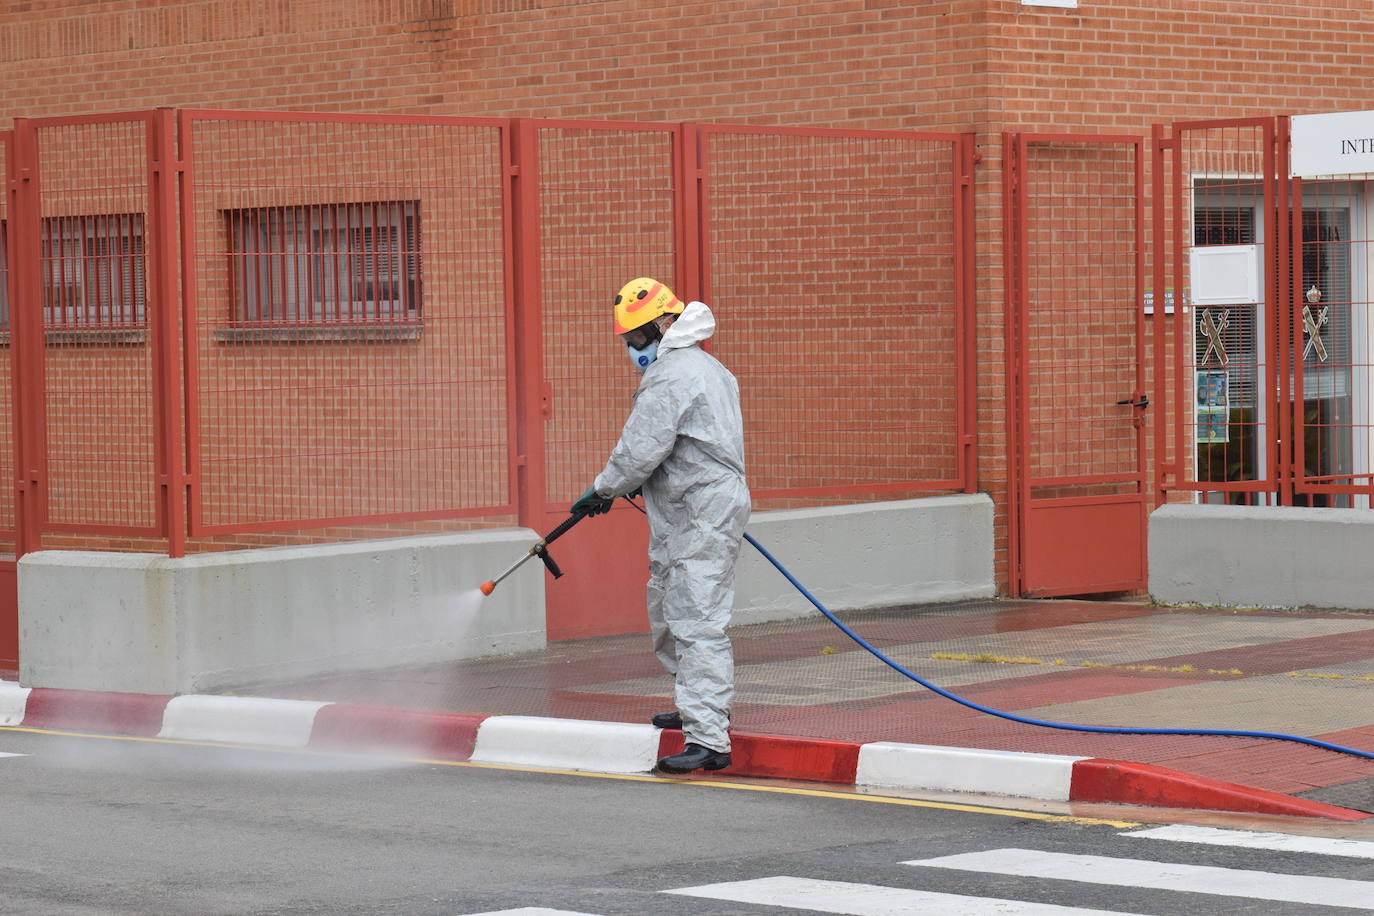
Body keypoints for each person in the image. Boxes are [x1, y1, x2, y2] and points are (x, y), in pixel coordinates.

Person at [571, 277, 751, 774]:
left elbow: (641, 446)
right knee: (670, 606)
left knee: (696, 618)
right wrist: (623, 483)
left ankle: (709, 740)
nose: (632, 348)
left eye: (635, 338)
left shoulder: (674, 374)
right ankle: (697, 703)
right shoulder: (708, 368)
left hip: (700, 509)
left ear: (662, 324)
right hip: (687, 506)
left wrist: (603, 488)